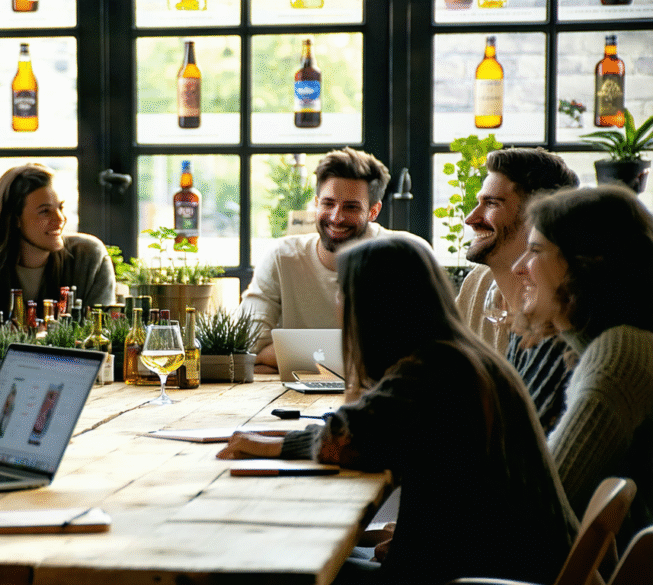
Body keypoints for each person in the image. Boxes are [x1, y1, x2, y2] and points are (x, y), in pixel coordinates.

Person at [219, 236, 577, 585]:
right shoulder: (461, 356)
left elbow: (346, 440)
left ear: (379, 304)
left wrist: (271, 445)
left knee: (267, 566)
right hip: (501, 562)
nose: (338, 302)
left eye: (344, 291)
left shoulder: (430, 369)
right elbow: (375, 434)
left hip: (485, 574)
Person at [514, 185, 653, 544]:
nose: (519, 268)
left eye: (535, 251)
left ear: (588, 264)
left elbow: (536, 511)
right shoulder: (600, 348)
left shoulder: (619, 355)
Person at [237, 147, 430, 372]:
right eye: (328, 203)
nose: (336, 217)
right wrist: (359, 359)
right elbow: (248, 347)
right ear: (317, 202)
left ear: (373, 211)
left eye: (351, 207)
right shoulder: (282, 257)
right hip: (293, 397)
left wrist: (289, 356)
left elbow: (423, 351)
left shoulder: (406, 255)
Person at [456, 148, 579, 433]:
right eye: (478, 203)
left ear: (537, 217)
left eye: (492, 204)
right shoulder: (477, 284)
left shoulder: (562, 318)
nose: (471, 218)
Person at [0, 163, 115, 334]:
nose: (60, 219)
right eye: (45, 211)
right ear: (14, 219)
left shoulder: (88, 256)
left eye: (61, 207)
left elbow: (102, 337)